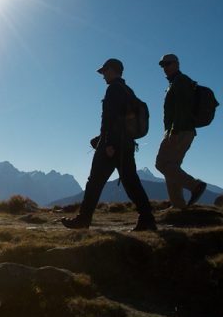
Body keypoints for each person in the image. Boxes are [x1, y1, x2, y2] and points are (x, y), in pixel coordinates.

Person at [62, 59, 157, 231]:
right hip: (127, 145)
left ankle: (83, 220)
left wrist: (106, 142)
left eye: (104, 71)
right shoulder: (128, 90)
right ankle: (147, 219)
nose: (103, 75)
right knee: (131, 183)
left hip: (112, 145)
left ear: (112, 70)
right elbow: (122, 120)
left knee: (94, 182)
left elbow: (109, 118)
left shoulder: (113, 89)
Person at [155, 53, 207, 209]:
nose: (165, 67)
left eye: (168, 63)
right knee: (172, 166)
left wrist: (174, 131)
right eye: (163, 65)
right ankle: (178, 205)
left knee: (162, 163)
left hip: (180, 130)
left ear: (177, 64)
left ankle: (195, 186)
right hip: (181, 130)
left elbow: (182, 108)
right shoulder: (175, 82)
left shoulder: (181, 81)